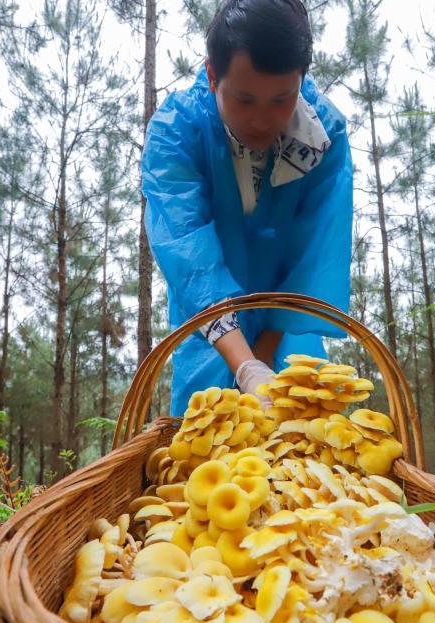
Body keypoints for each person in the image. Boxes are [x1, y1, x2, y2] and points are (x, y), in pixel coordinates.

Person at [142, 0, 352, 416]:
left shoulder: (323, 136)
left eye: (282, 99)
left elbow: (315, 256)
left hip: (288, 323)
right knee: (205, 435)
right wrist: (246, 367)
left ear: (301, 79)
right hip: (208, 326)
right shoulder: (177, 132)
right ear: (212, 75)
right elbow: (188, 253)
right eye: (244, 99)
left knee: (302, 430)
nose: (262, 119)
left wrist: (264, 354)